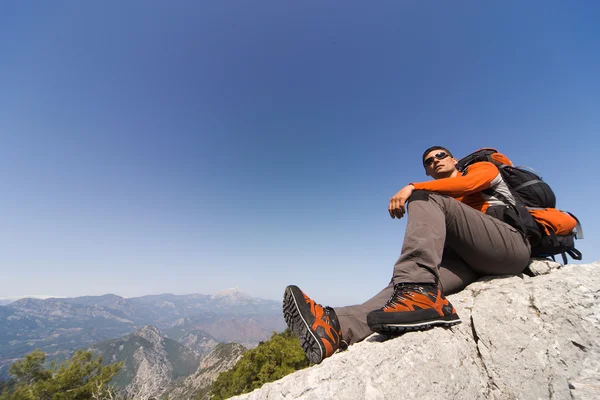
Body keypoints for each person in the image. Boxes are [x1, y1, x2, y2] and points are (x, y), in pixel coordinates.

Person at [283, 146, 532, 364]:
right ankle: (335, 327)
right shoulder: (440, 196)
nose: (435, 161)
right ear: (427, 170)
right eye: (429, 161)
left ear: (454, 159)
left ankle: (419, 293)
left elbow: (467, 186)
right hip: (468, 262)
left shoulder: (481, 168)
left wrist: (412, 187)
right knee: (403, 287)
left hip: (509, 247)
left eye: (440, 155)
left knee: (423, 202)